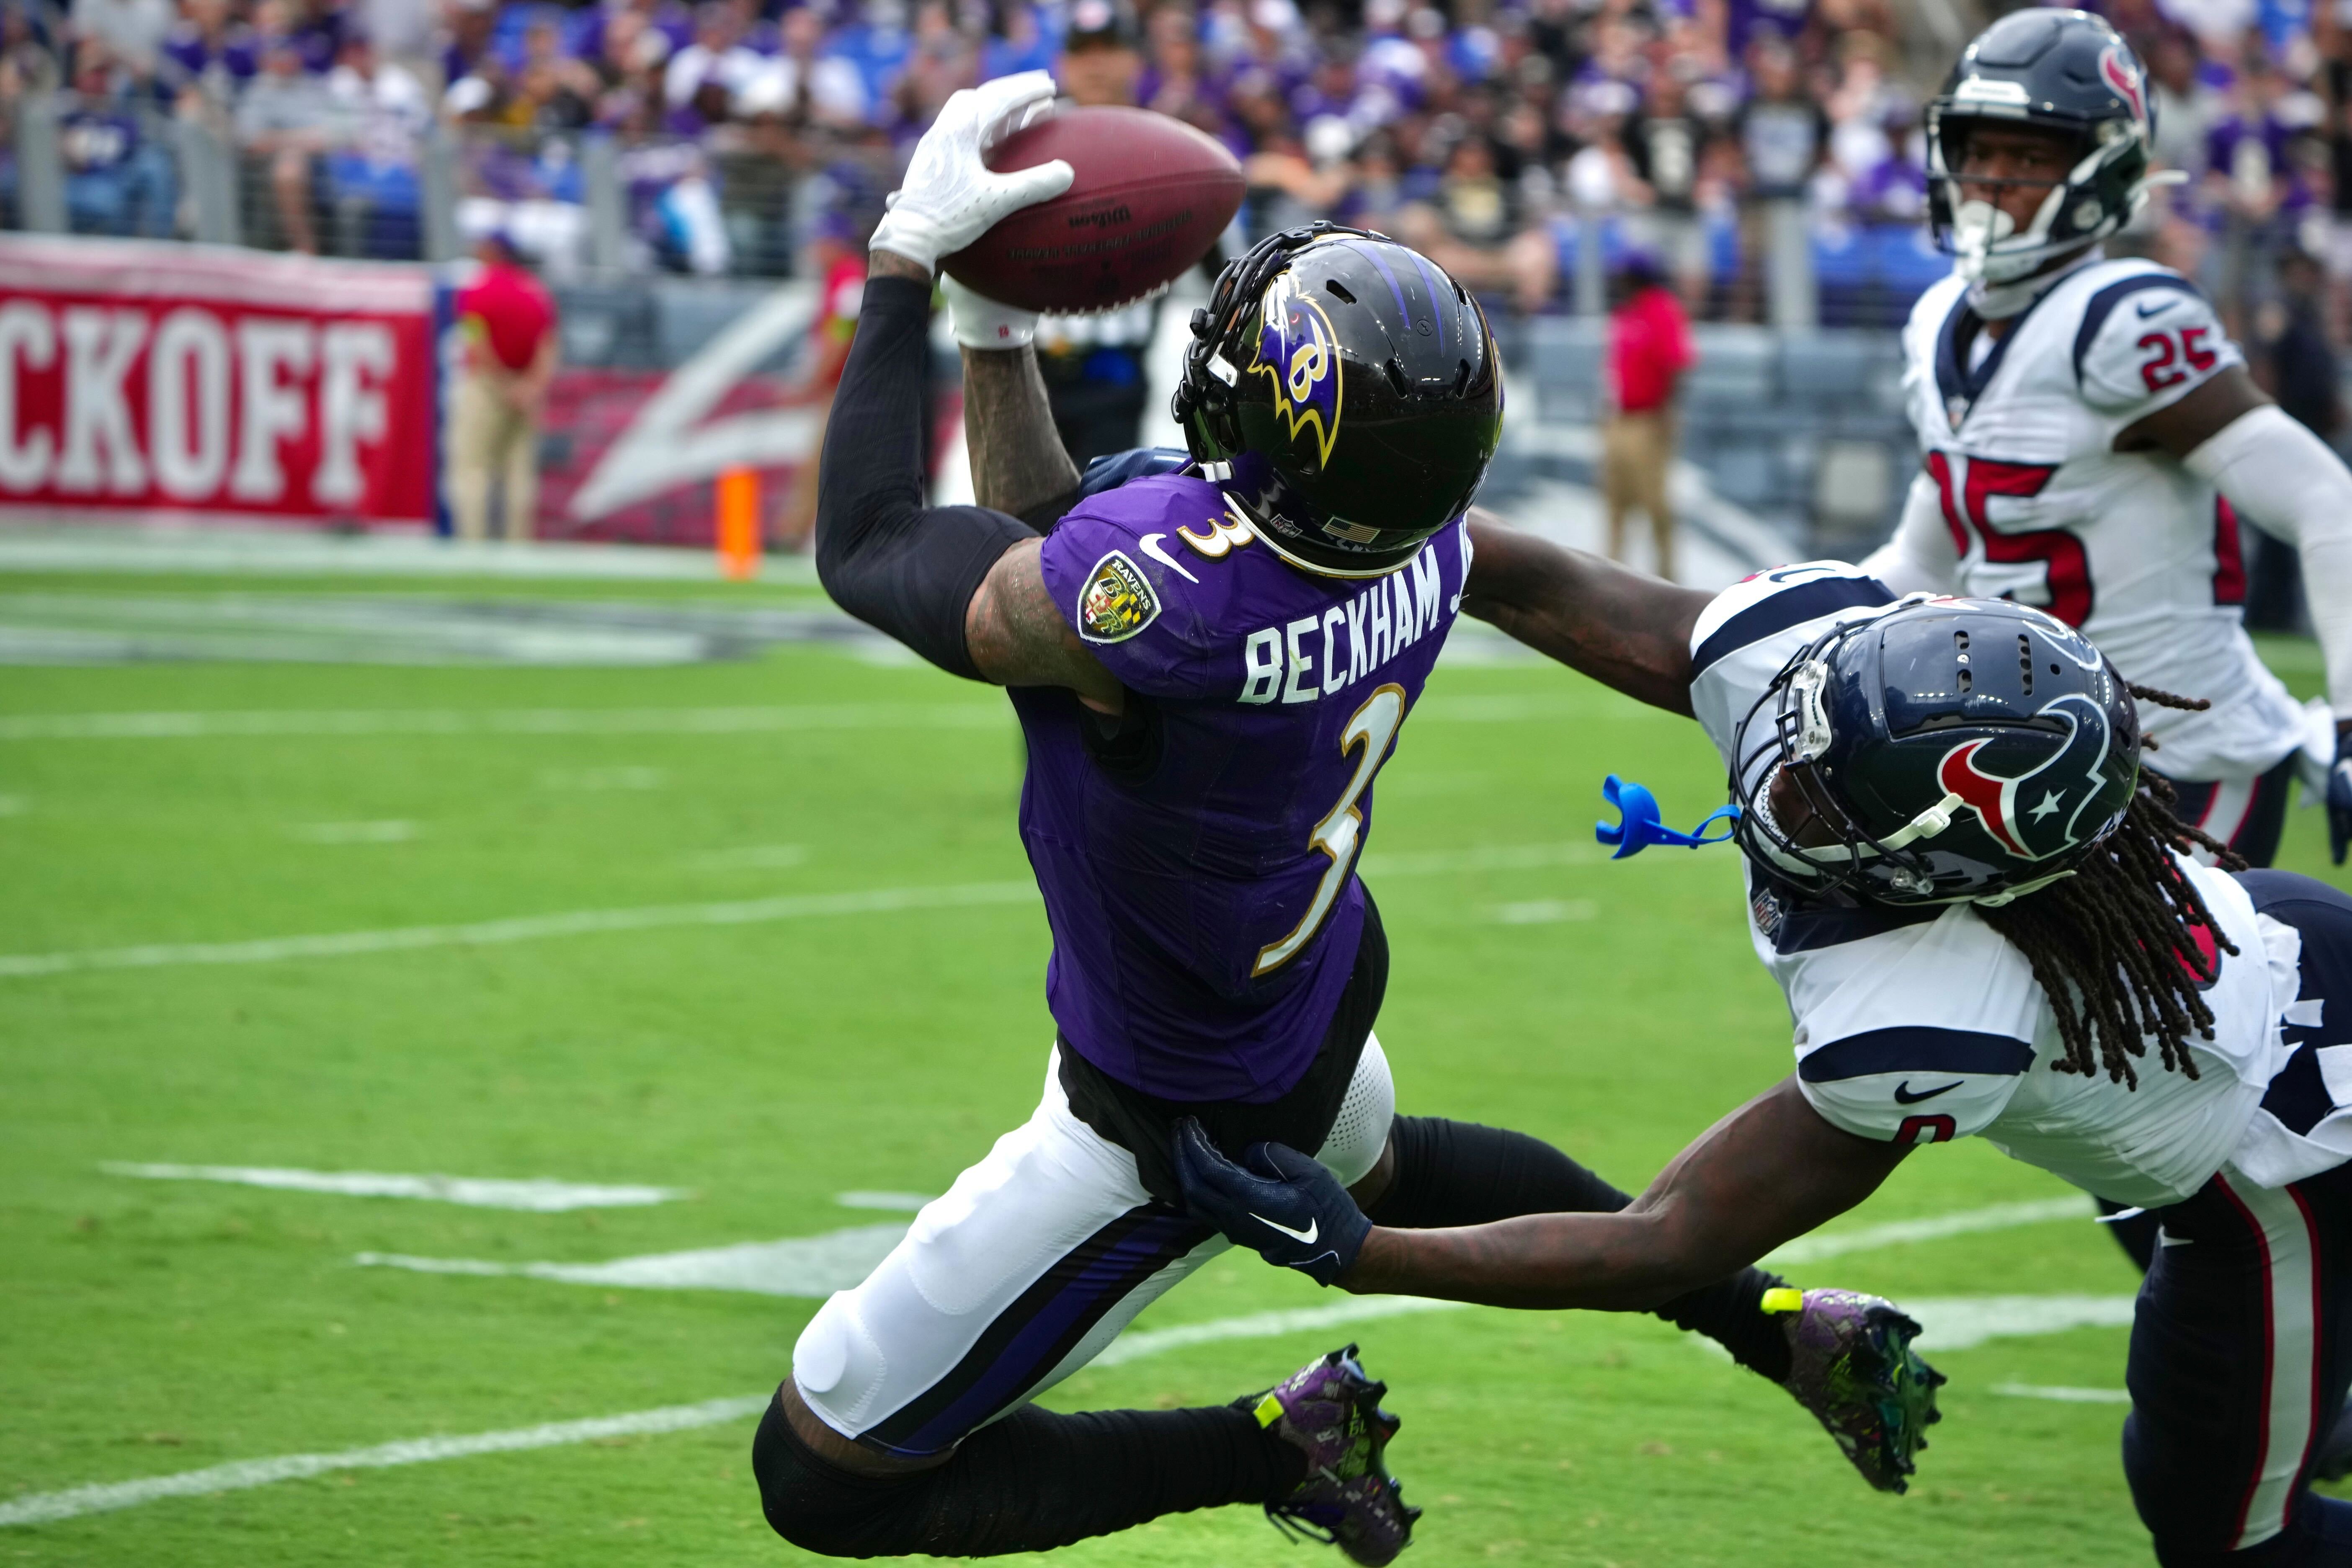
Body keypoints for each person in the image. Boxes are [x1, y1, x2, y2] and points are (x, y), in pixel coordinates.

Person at [757, 72, 1935, 1564]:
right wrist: (998, 334)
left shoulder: (1172, 595)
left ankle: (1273, 1441)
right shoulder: (1419, 549)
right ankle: (1772, 1326)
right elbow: (1067, 562)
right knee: (1400, 1162)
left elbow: (873, 546)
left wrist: (902, 269)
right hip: (1300, 993)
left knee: (819, 1472)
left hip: (1170, 1107)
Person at [1178, 550, 2352, 1567]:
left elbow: (1667, 1240)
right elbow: (1544, 584)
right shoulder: (1810, 656)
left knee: (2223, 1537)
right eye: (1806, 732)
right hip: (2290, 943)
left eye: (1827, 791)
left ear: (1943, 875)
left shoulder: (1927, 1011)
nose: (1779, 777)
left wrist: (1358, 1253)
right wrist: (1350, 529)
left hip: (2282, 1161)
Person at [1859, 11, 2352, 879]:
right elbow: (1925, 556)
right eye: (1981, 150)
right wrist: (1780, 628)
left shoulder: (2123, 319)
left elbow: (2323, 497)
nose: (1994, 180)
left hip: (2190, 765)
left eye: (2030, 157)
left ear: (2104, 168)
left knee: (2160, 1015)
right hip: (2047, 759)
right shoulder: (1938, 321)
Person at [449, 232, 558, 544]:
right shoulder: (536, 291)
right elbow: (548, 344)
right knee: (519, 475)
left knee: (472, 469)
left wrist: (504, 386)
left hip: (487, 388)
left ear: (492, 251)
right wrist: (530, 387)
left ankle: (472, 545)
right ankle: (518, 549)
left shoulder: (478, 289)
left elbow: (475, 341)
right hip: (526, 392)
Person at [1601, 250, 1694, 583]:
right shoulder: (1625, 313)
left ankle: (1668, 578)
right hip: (1619, 418)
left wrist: (1667, 412)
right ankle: (1610, 575)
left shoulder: (1661, 309)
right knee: (1615, 502)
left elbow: (1676, 362)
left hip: (1647, 419)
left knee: (1656, 504)